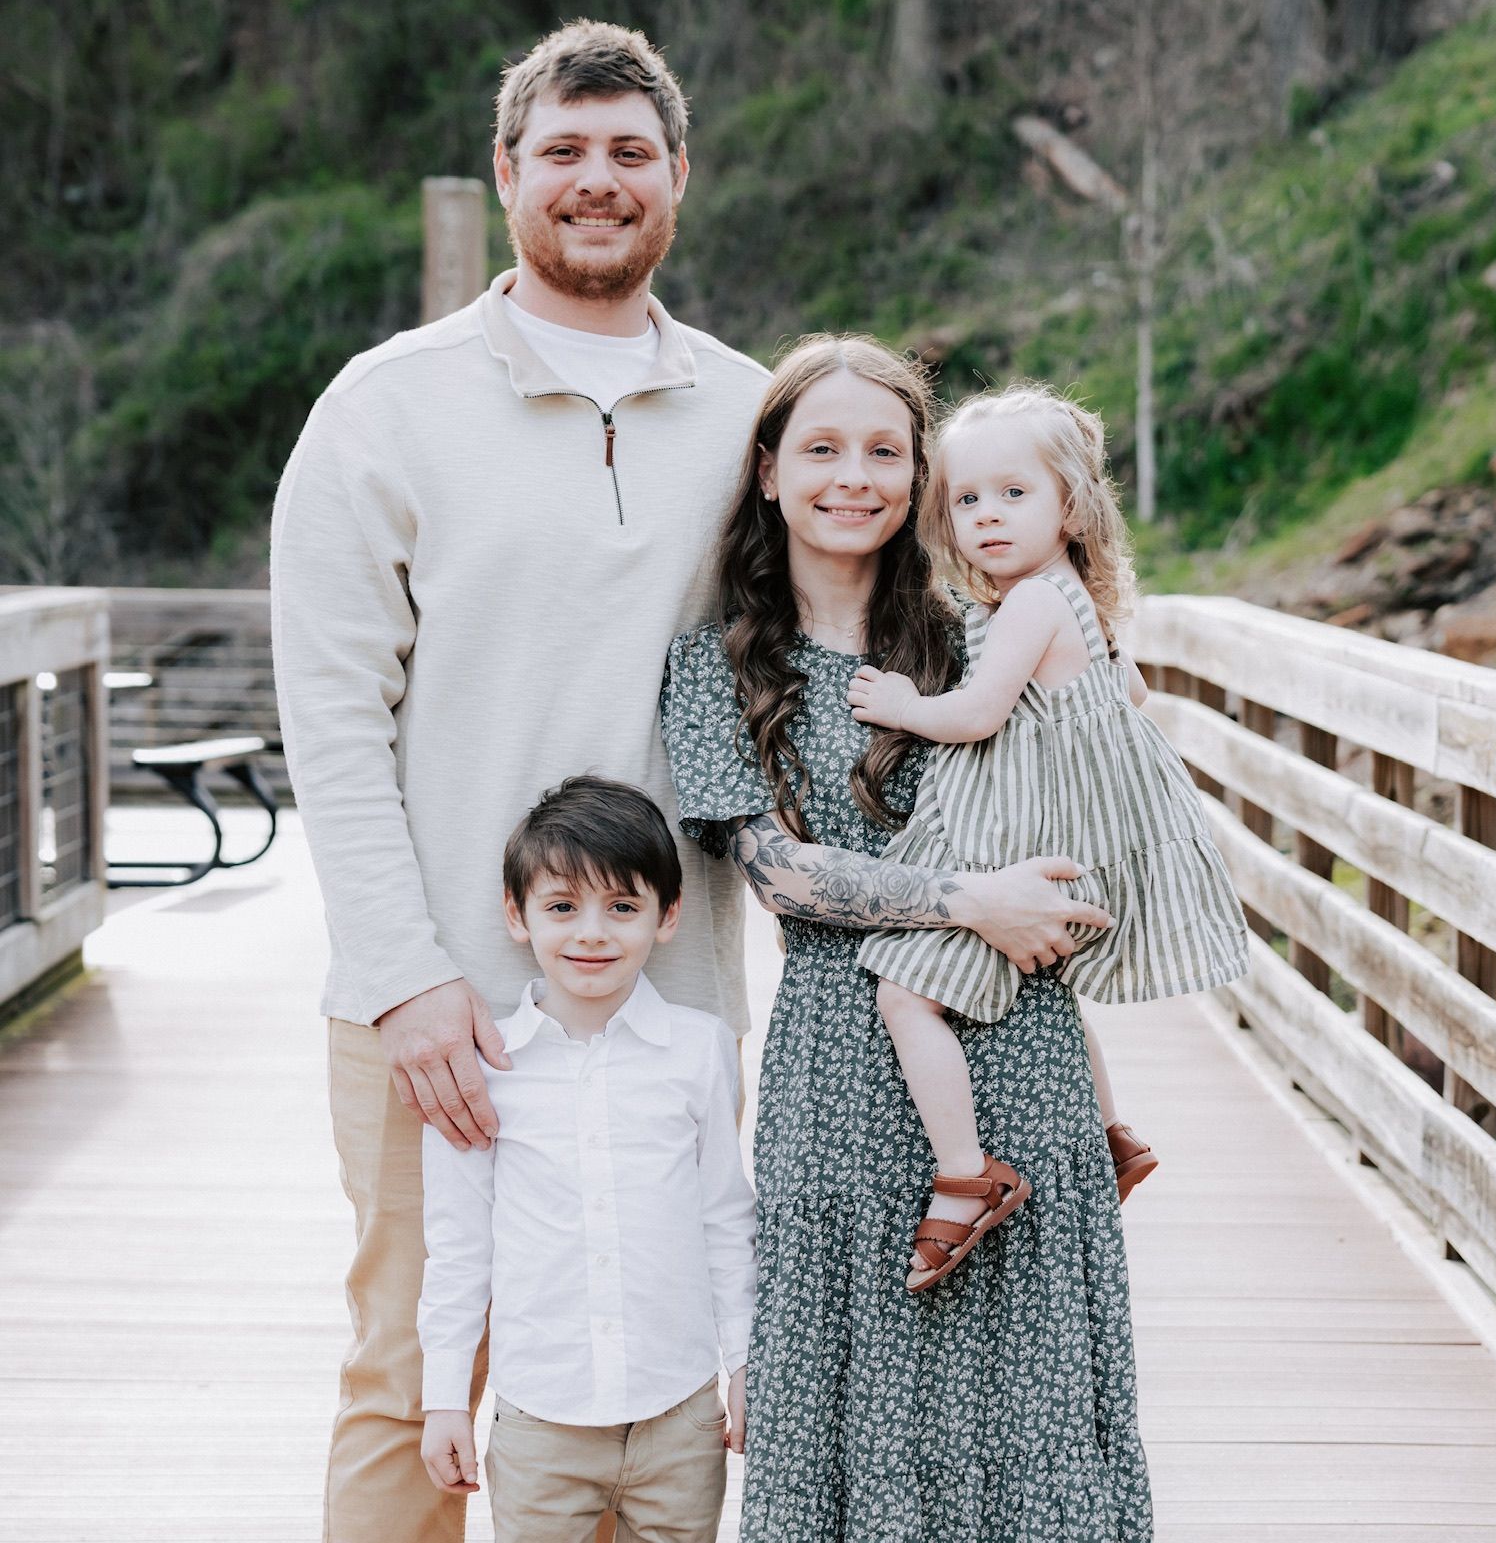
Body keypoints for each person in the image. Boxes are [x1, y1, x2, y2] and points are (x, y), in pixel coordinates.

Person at [270, 19, 771, 1543]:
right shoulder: (386, 405)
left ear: (679, 177)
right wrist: (404, 975)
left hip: (673, 997)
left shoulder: (756, 413)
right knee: (416, 1369)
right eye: (563, 150)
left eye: (630, 153)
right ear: (507, 175)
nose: (597, 180)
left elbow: (832, 662)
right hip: (448, 1003)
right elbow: (334, 716)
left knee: (653, 1370)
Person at [660, 337, 1155, 1539]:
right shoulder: (718, 667)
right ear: (769, 473)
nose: (856, 477)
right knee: (855, 1384)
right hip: (839, 1058)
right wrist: (968, 899)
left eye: (887, 451)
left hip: (1017, 1047)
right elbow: (778, 874)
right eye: (822, 448)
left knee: (1024, 1394)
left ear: (921, 477)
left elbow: (1101, 765)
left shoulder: (982, 635)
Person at [848, 381, 1251, 1291]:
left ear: (1070, 506)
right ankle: (1115, 1138)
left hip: (1022, 846)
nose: (988, 516)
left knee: (906, 995)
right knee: (1055, 989)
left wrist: (905, 706)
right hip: (1073, 837)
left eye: (1014, 495)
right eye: (967, 499)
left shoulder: (1031, 603)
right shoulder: (1075, 599)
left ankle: (965, 1174)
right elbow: (1133, 698)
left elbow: (982, 714)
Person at [417, 775, 755, 1542]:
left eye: (623, 907)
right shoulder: (484, 1066)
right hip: (541, 1418)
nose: (592, 932)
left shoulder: (698, 1049)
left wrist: (744, 1363)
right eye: (563, 906)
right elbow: (459, 1245)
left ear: (668, 916)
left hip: (680, 1414)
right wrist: (445, 1397)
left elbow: (725, 1219)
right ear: (517, 914)